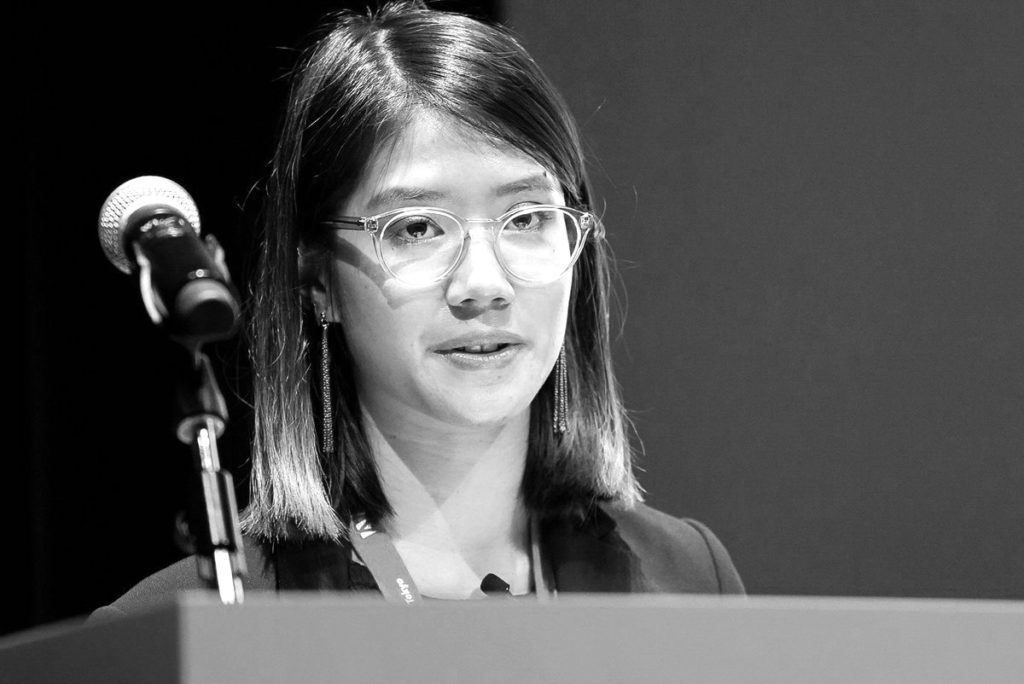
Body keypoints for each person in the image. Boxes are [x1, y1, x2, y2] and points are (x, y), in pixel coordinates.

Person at [94, 0, 742, 618]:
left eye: (526, 217)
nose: (483, 284)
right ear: (316, 280)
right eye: (418, 228)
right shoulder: (193, 626)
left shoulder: (687, 581)